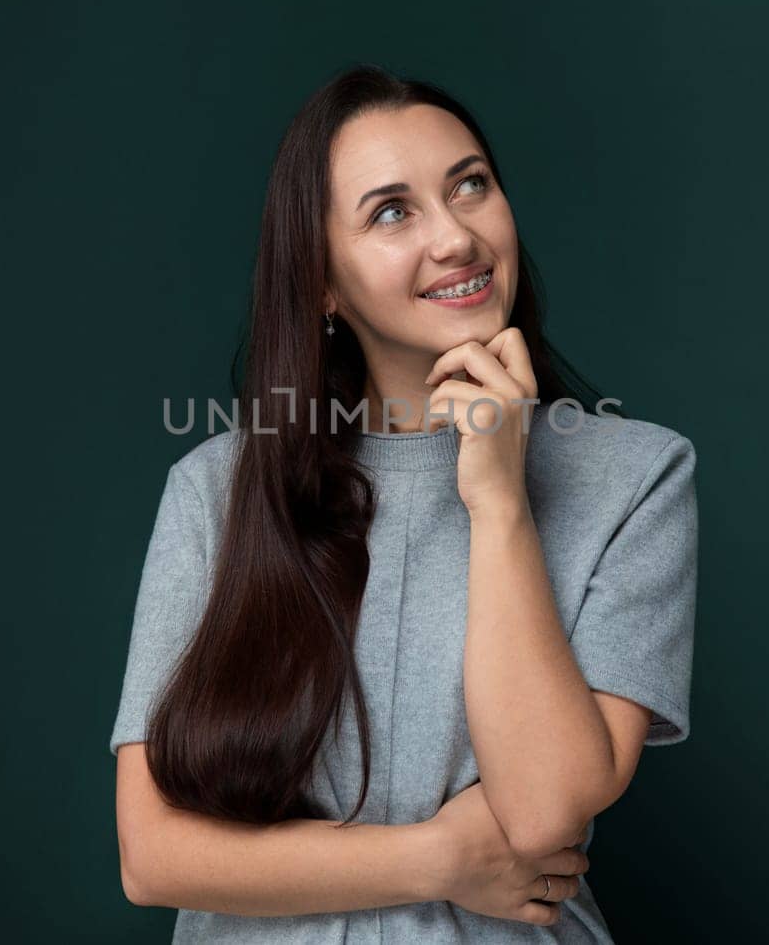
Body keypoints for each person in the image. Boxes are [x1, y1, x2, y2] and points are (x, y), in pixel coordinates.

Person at [107, 63, 700, 942]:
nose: (456, 237)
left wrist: (500, 499)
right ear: (324, 285)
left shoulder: (637, 474)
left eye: (471, 186)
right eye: (392, 211)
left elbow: (544, 813)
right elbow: (153, 856)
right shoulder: (216, 489)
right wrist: (436, 858)